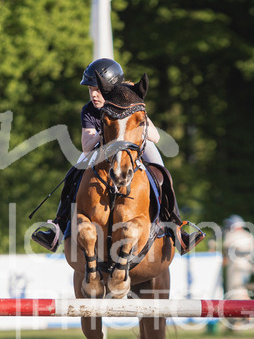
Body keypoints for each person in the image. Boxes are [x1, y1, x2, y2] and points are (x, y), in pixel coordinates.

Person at [31, 58, 204, 254]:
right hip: (103, 147)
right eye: (90, 90)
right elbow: (87, 146)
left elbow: (154, 136)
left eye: (97, 89)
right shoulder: (89, 110)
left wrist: (132, 125)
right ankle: (58, 226)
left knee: (162, 174)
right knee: (73, 172)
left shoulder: (131, 101)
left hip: (133, 147)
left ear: (110, 88)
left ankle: (177, 227)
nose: (93, 95)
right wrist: (105, 130)